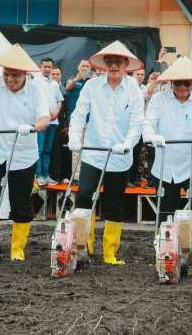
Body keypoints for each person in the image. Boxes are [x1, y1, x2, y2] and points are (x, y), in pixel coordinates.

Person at [68, 41, 144, 265]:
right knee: (84, 196)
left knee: (114, 203)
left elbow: (137, 121)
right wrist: (74, 137)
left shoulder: (134, 90)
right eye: (109, 62)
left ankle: (110, 252)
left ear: (125, 65)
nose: (113, 66)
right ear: (104, 65)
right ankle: (84, 244)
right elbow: (79, 113)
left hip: (120, 155)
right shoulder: (92, 86)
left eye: (118, 62)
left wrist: (128, 142)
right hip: (93, 151)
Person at [143, 57, 192, 268]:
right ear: (171, 83)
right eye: (177, 83)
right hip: (166, 163)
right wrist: (152, 137)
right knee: (166, 207)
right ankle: (163, 246)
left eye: (186, 83)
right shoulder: (158, 100)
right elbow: (148, 124)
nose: (181, 87)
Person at [0, 44, 50, 261]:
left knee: (20, 199)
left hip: (23, 151)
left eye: (15, 76)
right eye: (6, 75)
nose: (9, 80)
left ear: (25, 74)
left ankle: (17, 248)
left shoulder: (36, 90)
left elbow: (45, 118)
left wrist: (33, 127)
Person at [34, 58, 63, 186]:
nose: (47, 69)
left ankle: (46, 175)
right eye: (45, 66)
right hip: (41, 121)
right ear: (41, 67)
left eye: (49, 67)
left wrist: (56, 112)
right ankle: (39, 175)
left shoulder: (55, 84)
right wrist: (46, 113)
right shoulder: (35, 82)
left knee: (47, 149)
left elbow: (59, 100)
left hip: (53, 121)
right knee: (39, 149)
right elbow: (34, 101)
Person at [65, 60, 93, 183]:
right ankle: (76, 177)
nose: (85, 68)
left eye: (87, 66)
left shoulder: (93, 81)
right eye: (83, 66)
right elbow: (67, 87)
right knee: (76, 149)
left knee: (90, 149)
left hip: (91, 120)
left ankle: (89, 176)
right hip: (76, 120)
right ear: (78, 67)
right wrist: (78, 78)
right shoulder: (72, 79)